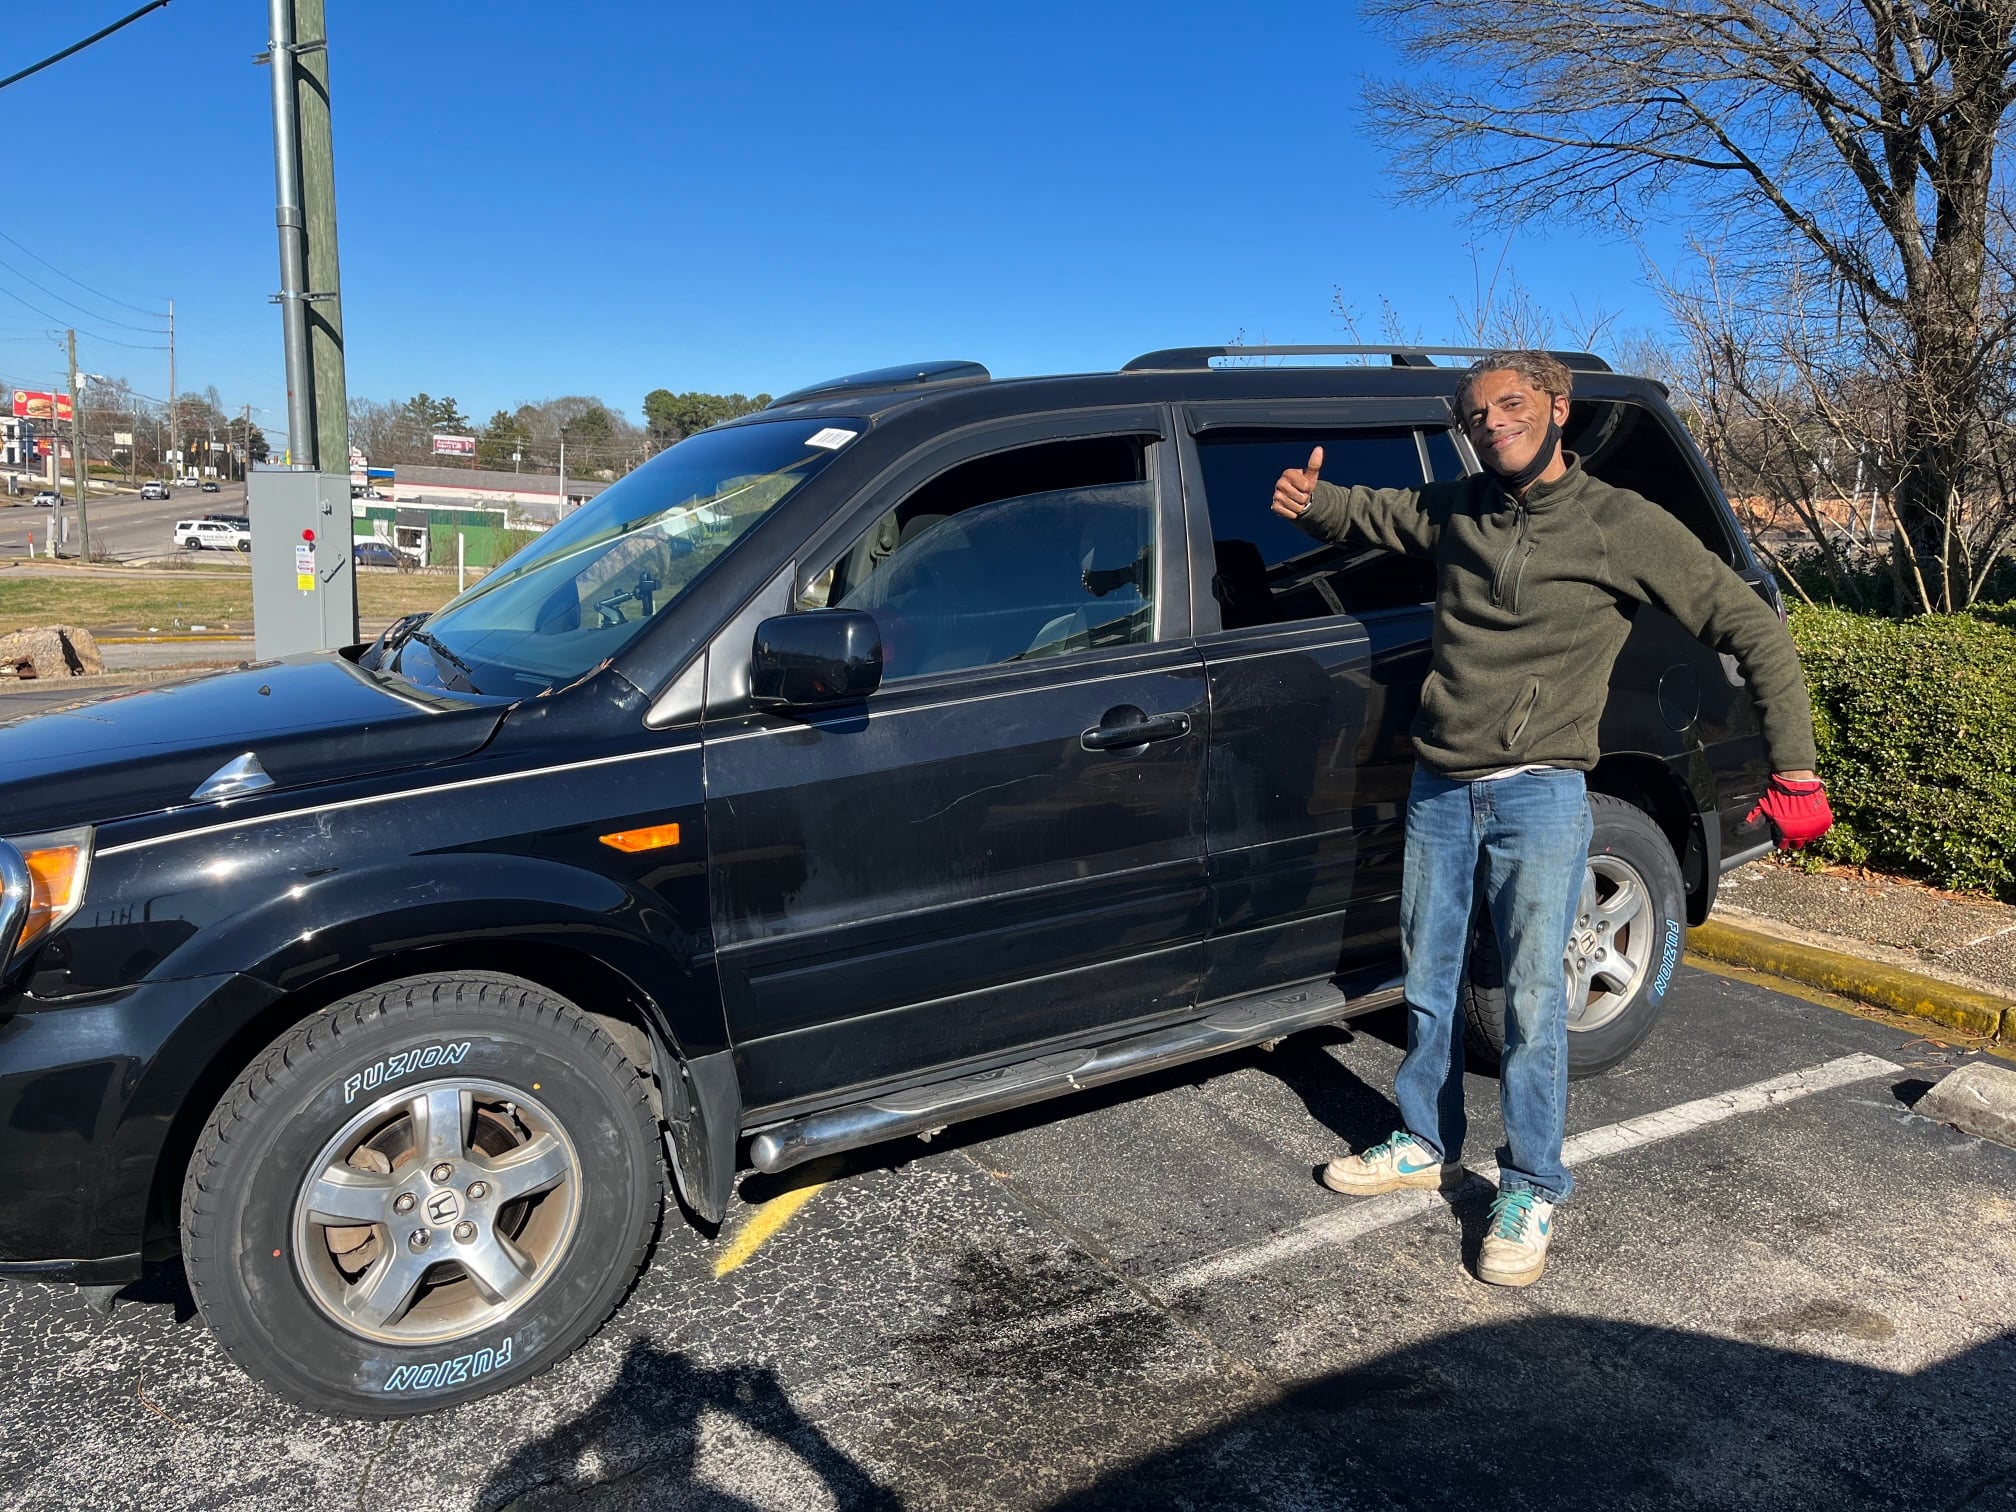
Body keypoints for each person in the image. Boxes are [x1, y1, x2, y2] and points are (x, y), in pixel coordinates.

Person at [1271, 351, 1832, 1287]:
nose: (1492, 422)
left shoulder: (1620, 524)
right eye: (1476, 413)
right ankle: (1424, 1142)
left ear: (1558, 409)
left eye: (1512, 404)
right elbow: (1379, 513)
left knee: (1533, 1000)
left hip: (1539, 792)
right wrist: (1314, 502)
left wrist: (1797, 768)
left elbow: (1749, 624)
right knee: (1429, 980)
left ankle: (1531, 1184)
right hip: (1440, 787)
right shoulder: (1460, 508)